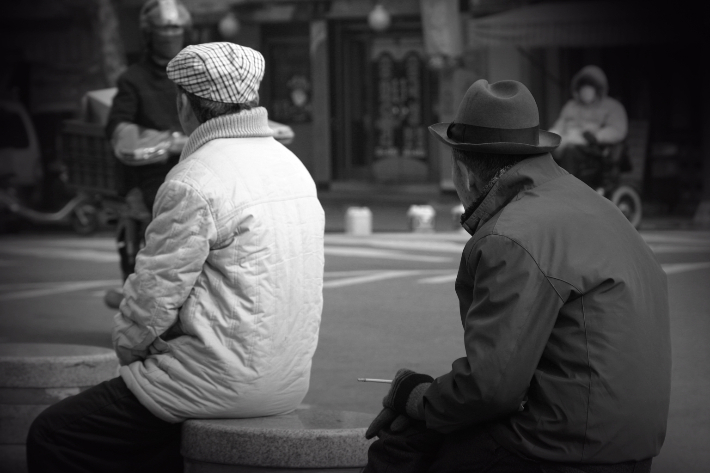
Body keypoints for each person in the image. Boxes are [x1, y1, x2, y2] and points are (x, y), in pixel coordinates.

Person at [26, 42, 325, 472]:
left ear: (185, 104)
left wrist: (129, 350)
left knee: (55, 432)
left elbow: (153, 297)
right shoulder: (293, 166)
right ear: (253, 98)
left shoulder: (194, 179)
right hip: (288, 382)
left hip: (213, 384)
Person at [363, 79, 670, 472]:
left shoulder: (510, 235)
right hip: (628, 444)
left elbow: (491, 389)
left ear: (464, 172)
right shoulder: (595, 204)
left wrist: (414, 395)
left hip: (560, 449)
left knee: (401, 446)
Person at [103, 0, 192, 308]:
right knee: (165, 235)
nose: (170, 34)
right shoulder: (133, 79)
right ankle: (144, 302)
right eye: (164, 28)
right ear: (149, 33)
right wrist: (169, 142)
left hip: (200, 162)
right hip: (153, 172)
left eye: (176, 27)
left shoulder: (193, 72)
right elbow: (119, 128)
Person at [549, 65, 628, 188]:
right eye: (583, 87)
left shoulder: (612, 106)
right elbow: (559, 126)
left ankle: (566, 188)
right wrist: (551, 138)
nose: (586, 91)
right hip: (567, 144)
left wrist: (596, 136)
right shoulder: (571, 106)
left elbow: (617, 130)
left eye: (589, 87)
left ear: (597, 89)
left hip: (595, 151)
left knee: (570, 152)